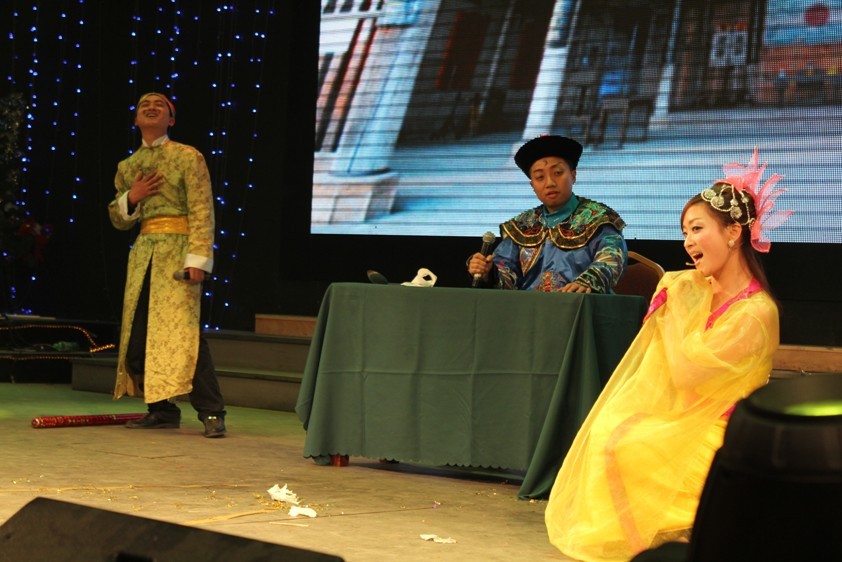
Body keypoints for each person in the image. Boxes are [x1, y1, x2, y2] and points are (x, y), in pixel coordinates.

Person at [544, 148, 792, 561]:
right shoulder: (696, 289)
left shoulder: (756, 311)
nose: (688, 242)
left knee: (635, 445)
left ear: (733, 232)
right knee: (611, 431)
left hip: (725, 430)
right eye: (685, 232)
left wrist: (674, 305)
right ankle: (650, 550)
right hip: (686, 417)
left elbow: (687, 372)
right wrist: (678, 296)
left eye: (697, 229)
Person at [107, 92, 226, 438]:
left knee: (184, 334)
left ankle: (211, 411)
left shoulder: (188, 156)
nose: (151, 107)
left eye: (160, 105)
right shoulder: (128, 167)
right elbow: (118, 219)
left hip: (177, 250)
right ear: (135, 119)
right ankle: (161, 409)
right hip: (144, 253)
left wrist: (198, 259)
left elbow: (202, 208)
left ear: (171, 120)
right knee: (138, 336)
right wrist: (132, 197)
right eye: (144, 104)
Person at [467, 135, 627, 293]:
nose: (550, 183)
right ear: (533, 186)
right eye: (540, 177)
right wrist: (489, 272)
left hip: (581, 303)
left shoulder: (598, 218)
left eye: (558, 173)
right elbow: (506, 274)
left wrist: (588, 282)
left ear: (573, 176)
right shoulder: (522, 225)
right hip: (530, 307)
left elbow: (611, 258)